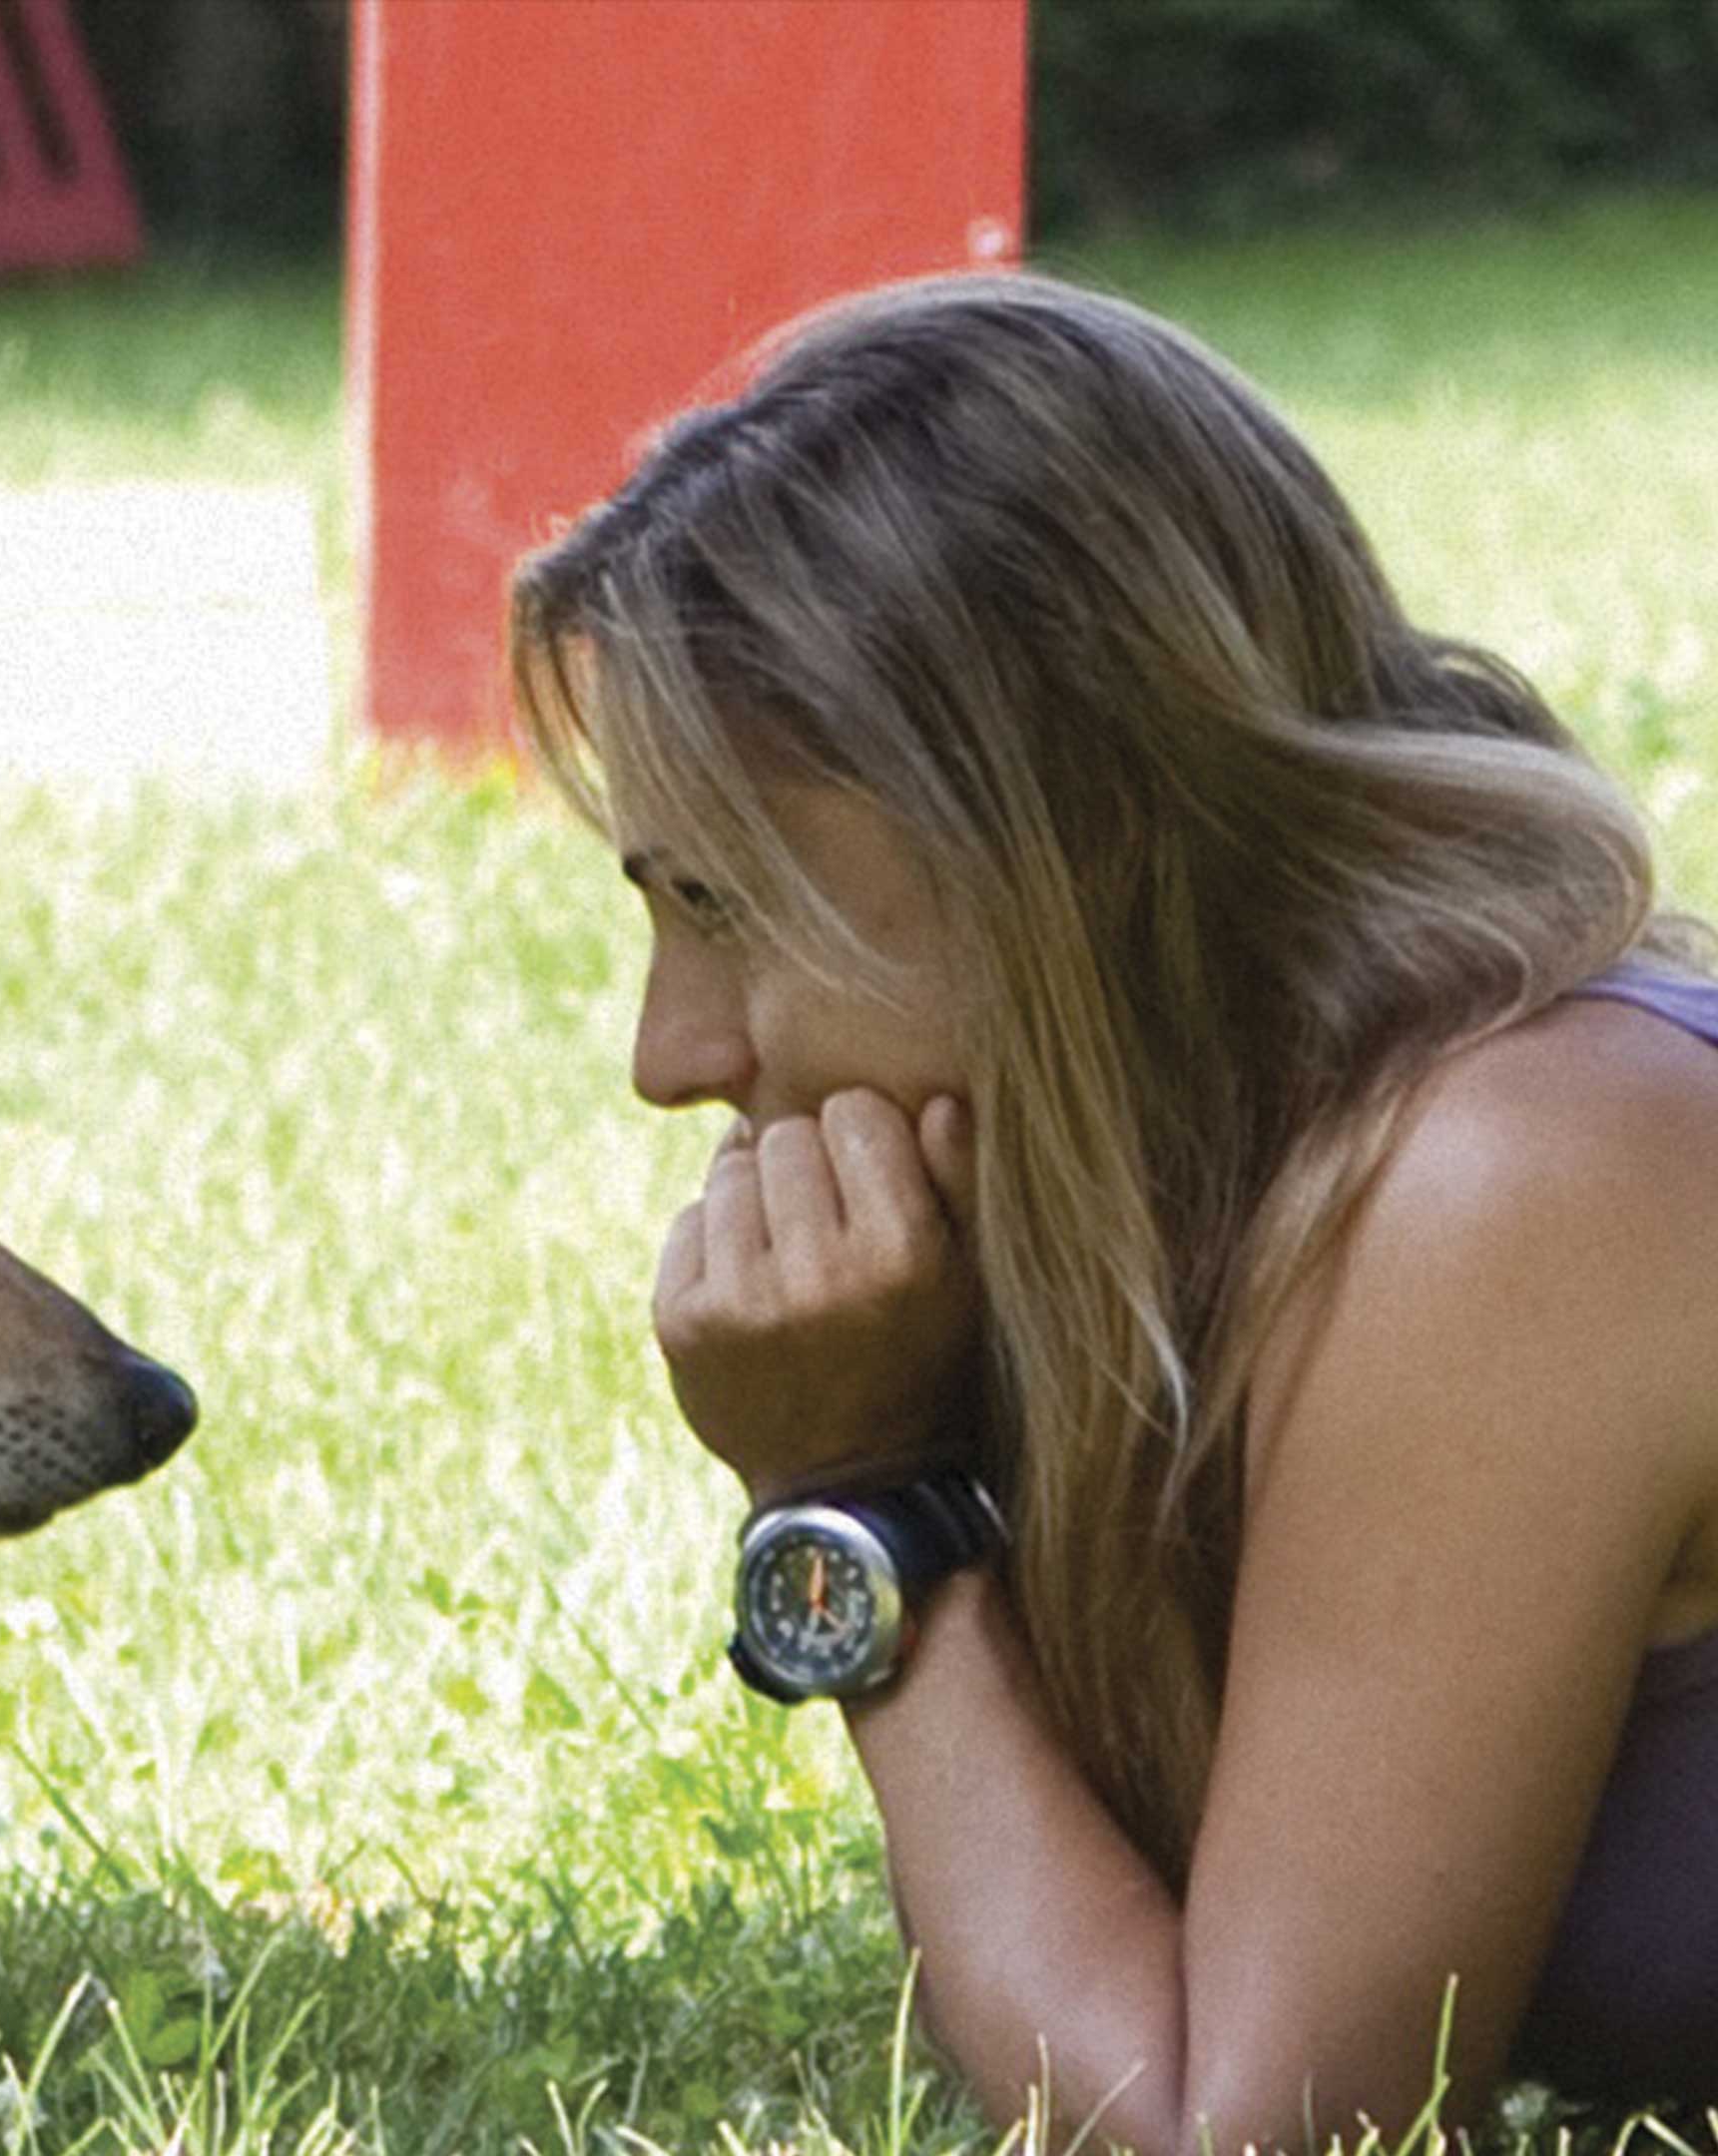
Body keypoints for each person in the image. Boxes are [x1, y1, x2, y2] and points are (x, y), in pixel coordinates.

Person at [503, 270, 1718, 2144]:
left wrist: (860, 1523)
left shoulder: (1524, 1173)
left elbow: (1247, 2134)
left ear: (1061, 847)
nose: (669, 1055)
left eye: (729, 905)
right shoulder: (1306, 1185)